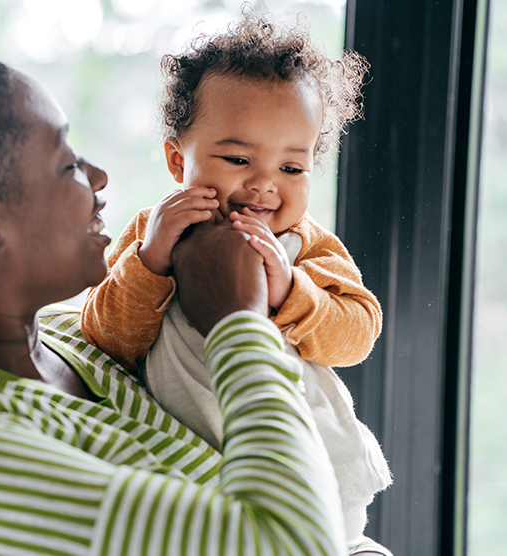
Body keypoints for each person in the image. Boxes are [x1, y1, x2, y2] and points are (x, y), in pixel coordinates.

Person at [0, 51, 350, 555]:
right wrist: (238, 320)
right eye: (66, 164)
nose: (99, 177)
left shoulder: (65, 338)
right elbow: (296, 546)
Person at [81, 15, 392, 554]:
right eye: (239, 159)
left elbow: (359, 332)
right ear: (179, 159)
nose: (265, 184)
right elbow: (106, 336)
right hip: (192, 470)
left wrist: (291, 293)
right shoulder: (154, 235)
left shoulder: (306, 245)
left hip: (311, 461)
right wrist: (151, 260)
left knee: (338, 541)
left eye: (292, 168)